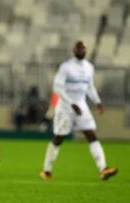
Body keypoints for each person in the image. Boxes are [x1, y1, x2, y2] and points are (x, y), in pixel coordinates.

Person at [39, 41, 118, 180]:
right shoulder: (66, 67)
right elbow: (57, 87)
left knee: (91, 135)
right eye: (79, 48)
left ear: (86, 50)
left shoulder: (89, 67)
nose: (81, 50)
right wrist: (71, 102)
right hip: (65, 108)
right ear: (74, 50)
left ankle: (103, 169)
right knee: (58, 138)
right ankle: (46, 170)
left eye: (83, 48)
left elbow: (90, 87)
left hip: (82, 106)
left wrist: (98, 101)